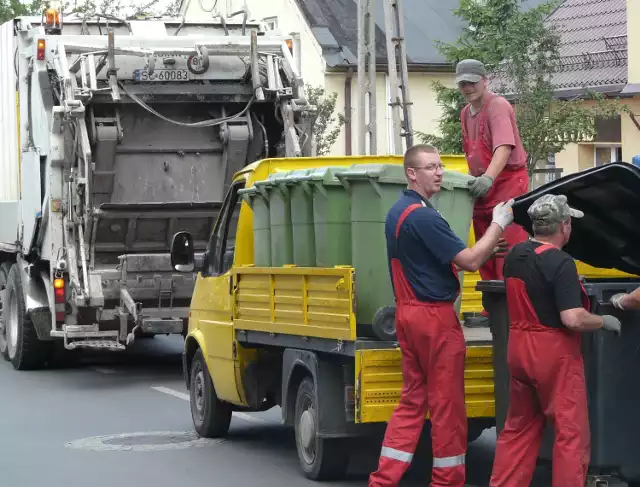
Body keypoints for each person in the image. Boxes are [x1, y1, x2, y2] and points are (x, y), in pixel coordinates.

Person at [368, 144, 515, 487]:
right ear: (411, 173)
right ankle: (447, 482)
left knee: (412, 402)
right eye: (430, 167)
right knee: (448, 408)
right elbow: (470, 262)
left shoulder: (399, 212)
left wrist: (488, 243)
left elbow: (433, 256)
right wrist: (497, 225)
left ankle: (383, 481)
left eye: (439, 167)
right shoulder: (424, 216)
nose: (438, 172)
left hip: (408, 314)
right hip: (434, 319)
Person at [489, 194, 622, 487]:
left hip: (518, 348)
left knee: (518, 429)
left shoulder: (515, 255)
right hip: (552, 355)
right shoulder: (561, 262)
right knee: (570, 435)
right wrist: (603, 321)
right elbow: (572, 318)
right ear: (564, 226)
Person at [456, 58, 531, 327]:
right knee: (485, 245)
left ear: (485, 80)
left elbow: (504, 147)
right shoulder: (466, 113)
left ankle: (511, 309)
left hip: (508, 181)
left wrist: (488, 176)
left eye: (472, 82)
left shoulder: (497, 106)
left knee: (508, 246)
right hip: (483, 185)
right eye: (463, 83)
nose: (468, 87)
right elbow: (474, 151)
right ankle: (491, 309)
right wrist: (476, 179)